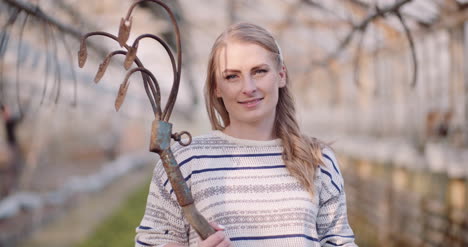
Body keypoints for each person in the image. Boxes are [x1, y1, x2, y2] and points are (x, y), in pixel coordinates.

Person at [135, 22, 357, 247]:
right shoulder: (183, 161)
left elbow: (340, 242)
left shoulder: (318, 159)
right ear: (216, 88)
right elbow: (150, 243)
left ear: (281, 75)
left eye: (259, 71)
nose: (248, 87)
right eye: (232, 76)